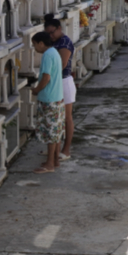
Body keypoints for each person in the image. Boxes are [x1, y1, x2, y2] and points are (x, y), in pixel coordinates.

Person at [42, 15, 75, 159]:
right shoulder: (52, 42)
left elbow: (60, 65)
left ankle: (65, 150)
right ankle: (54, 150)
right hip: (54, 82)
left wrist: (45, 78)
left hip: (63, 82)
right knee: (55, 118)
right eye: (47, 33)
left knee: (67, 118)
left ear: (59, 29)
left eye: (52, 32)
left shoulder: (65, 42)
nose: (50, 36)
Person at [30, 31, 64, 174]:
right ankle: (55, 160)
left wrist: (36, 90)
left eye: (34, 45)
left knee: (51, 133)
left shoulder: (47, 55)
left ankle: (49, 164)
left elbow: (46, 77)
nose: (34, 48)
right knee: (56, 131)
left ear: (41, 43)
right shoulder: (54, 52)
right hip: (57, 96)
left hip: (49, 98)